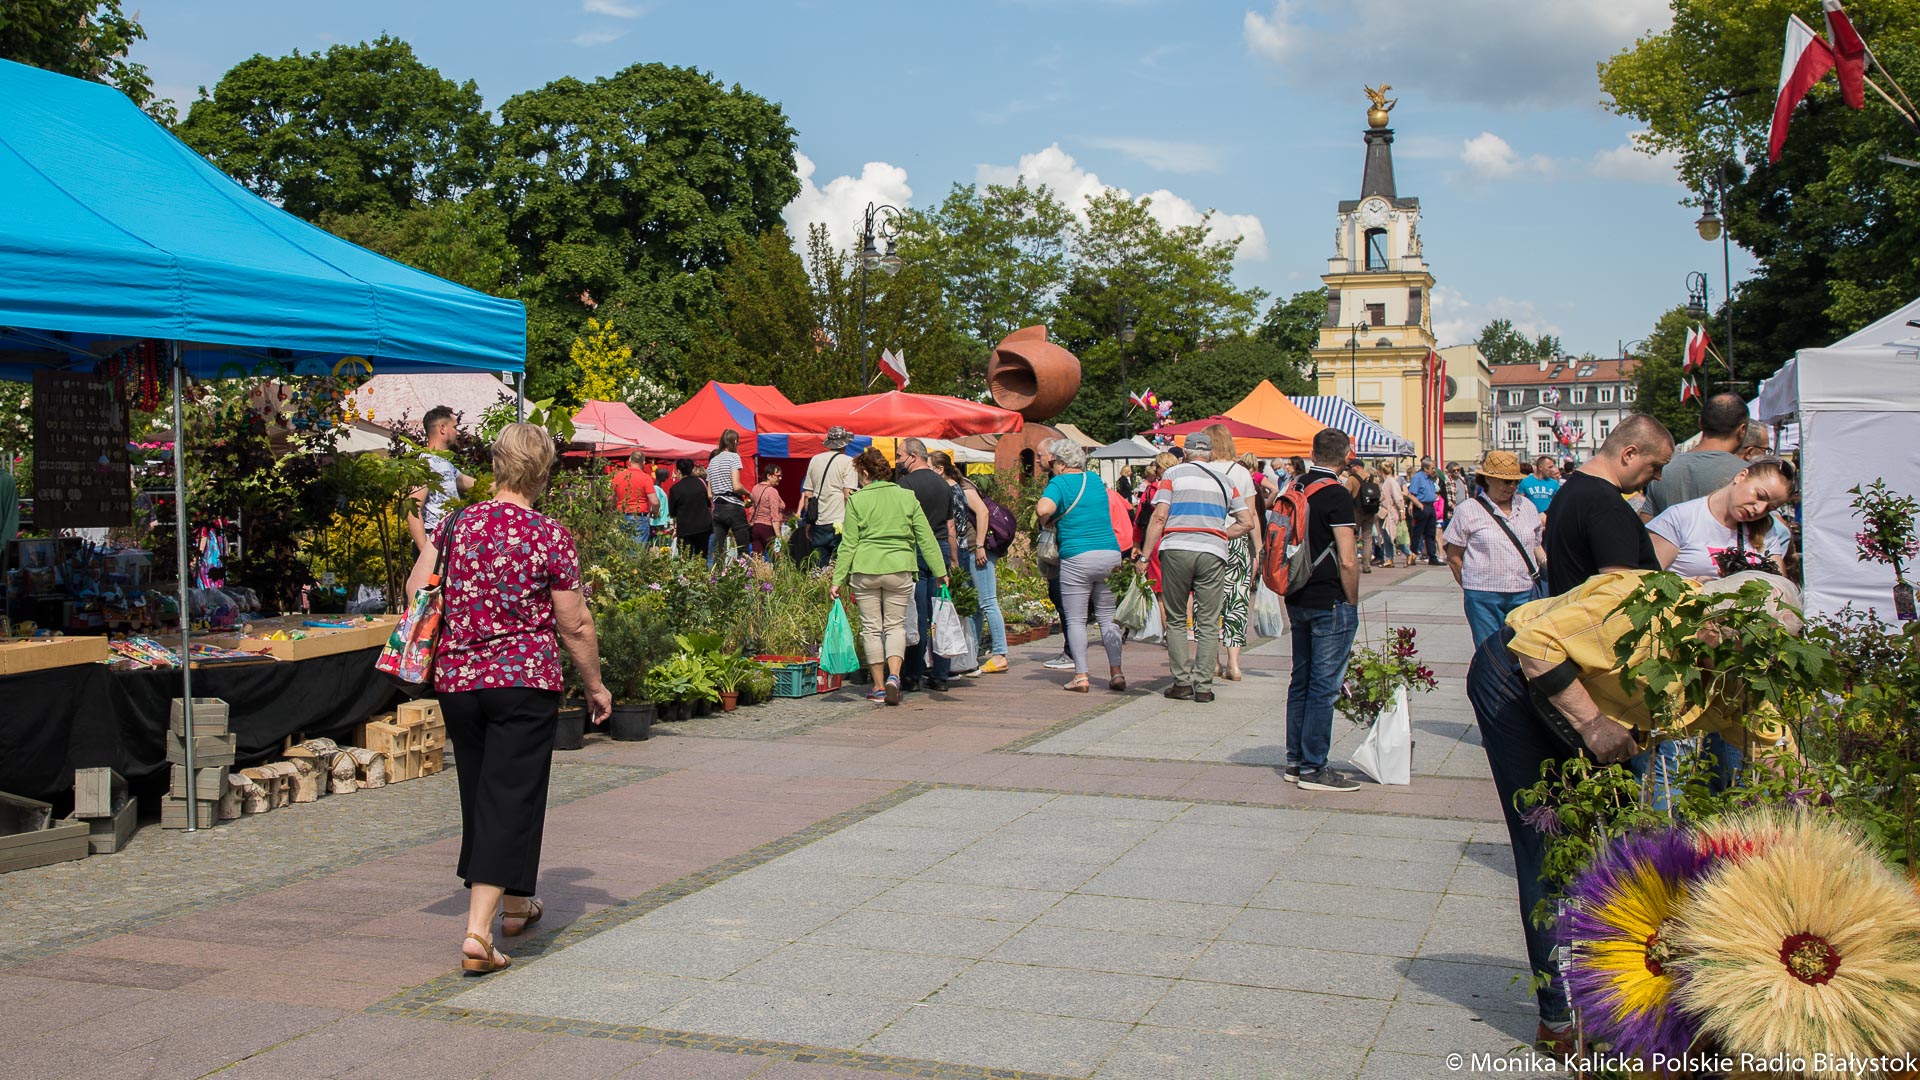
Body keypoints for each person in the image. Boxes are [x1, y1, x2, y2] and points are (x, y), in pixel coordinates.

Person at [1465, 569, 1803, 1057]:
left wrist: (1811, 813)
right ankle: (1561, 1019)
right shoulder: (1641, 609)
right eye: (1736, 655)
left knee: (1624, 856)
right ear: (1711, 627)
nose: (1744, 674)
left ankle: (1615, 1000)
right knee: (1551, 846)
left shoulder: (1742, 669)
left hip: (1598, 711)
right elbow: (1536, 645)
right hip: (1516, 682)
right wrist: (1593, 725)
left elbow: (1776, 751)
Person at [404, 422, 611, 976]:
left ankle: (516, 903)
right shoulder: (548, 535)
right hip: (522, 679)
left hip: (459, 680)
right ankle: (477, 933)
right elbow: (575, 623)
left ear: (496, 467)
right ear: (543, 473)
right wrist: (594, 683)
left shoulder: (454, 525)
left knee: (486, 792)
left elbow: (415, 590)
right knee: (511, 794)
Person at [1139, 431, 1256, 703]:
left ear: (1187, 452)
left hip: (1177, 549)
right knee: (1208, 619)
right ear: (1210, 453)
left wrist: (1145, 556)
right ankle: (1203, 686)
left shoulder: (1172, 476)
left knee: (1177, 617)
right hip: (1213, 553)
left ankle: (1181, 682)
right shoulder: (1226, 481)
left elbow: (1159, 517)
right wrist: (1221, 534)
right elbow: (1247, 521)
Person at [1280, 428, 1363, 792]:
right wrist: (1353, 600)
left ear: (1312, 452)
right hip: (1329, 597)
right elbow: (1347, 558)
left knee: (1301, 680)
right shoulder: (1336, 494)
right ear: (1346, 456)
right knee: (1324, 686)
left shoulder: (1295, 487)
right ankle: (1315, 767)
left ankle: (1295, 761)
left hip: (1296, 593)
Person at [829, 447, 947, 706]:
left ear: (867, 473)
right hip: (900, 568)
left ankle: (879, 687)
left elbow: (848, 543)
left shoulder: (858, 500)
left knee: (871, 629)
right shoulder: (906, 497)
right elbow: (926, 538)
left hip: (866, 569)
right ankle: (895, 676)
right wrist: (940, 571)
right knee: (895, 626)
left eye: (860, 474)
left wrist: (837, 579)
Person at [1541, 415, 1673, 596]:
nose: (1659, 476)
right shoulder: (1607, 505)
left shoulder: (1570, 490)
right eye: (1656, 466)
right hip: (1596, 622)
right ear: (1629, 454)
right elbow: (1620, 597)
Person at [1034, 439, 1126, 692]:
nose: (1052, 466)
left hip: (1077, 556)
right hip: (1109, 553)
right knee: (1108, 619)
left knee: (1076, 620)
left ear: (1062, 463)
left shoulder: (1060, 482)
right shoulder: (1095, 480)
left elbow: (1043, 508)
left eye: (1054, 462)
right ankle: (1116, 672)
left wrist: (1047, 521)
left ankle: (1082, 677)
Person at [1443, 451, 1547, 649]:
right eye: (1506, 482)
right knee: (1490, 654)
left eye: (1515, 482)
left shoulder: (1527, 507)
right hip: (1484, 597)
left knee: (1526, 652)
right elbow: (1454, 556)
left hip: (1524, 593)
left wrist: (1546, 564)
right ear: (1488, 479)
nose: (1512, 487)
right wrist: (1470, 587)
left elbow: (1535, 545)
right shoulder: (1468, 509)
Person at [1648, 457, 1796, 581]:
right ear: (1741, 476)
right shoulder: (1680, 518)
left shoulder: (1767, 531)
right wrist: (1697, 586)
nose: (1760, 509)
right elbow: (1645, 581)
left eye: (1770, 508)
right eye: (1760, 496)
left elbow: (1778, 591)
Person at [932, 451, 1009, 675]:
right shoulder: (952, 488)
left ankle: (1000, 653)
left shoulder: (963, 487)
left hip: (978, 550)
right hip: (972, 549)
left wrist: (981, 545)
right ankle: (972, 653)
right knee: (975, 605)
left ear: (940, 469)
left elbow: (983, 513)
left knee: (987, 601)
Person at [1198, 424, 1263, 682]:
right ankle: (1234, 664)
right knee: (1236, 600)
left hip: (1208, 540)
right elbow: (1252, 514)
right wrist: (1257, 549)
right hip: (1236, 539)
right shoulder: (1242, 473)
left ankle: (1212, 661)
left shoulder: (1201, 470)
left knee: (1208, 600)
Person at [894, 438, 955, 693]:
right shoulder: (944, 484)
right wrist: (952, 560)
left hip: (917, 549)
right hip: (940, 547)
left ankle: (913, 674)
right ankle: (941, 674)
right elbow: (950, 526)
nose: (897, 461)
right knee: (940, 612)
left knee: (917, 614)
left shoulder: (905, 485)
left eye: (899, 456)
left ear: (913, 456)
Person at [1639, 391, 1749, 521]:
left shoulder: (1662, 471)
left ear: (1700, 423)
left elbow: (1647, 528)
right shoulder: (1748, 475)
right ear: (1742, 430)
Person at [407, 405, 476, 556]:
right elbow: (413, 509)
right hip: (433, 541)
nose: (457, 432)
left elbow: (473, 484)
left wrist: (508, 483)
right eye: (455, 427)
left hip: (446, 539)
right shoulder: (425, 463)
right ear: (442, 428)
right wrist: (425, 551)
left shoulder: (445, 464)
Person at [800, 427, 859, 569]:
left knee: (819, 569)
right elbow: (848, 495)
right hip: (840, 522)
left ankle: (820, 591)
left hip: (819, 522)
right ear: (844, 444)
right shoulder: (848, 462)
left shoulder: (815, 460)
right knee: (840, 567)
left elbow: (808, 495)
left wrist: (809, 522)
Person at [706, 430, 751, 562]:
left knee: (719, 551)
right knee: (743, 548)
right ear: (735, 441)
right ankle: (744, 578)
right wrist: (748, 493)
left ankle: (717, 578)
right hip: (733, 506)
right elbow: (736, 486)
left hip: (718, 508)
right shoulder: (733, 457)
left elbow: (710, 493)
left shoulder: (713, 461)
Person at [667, 458, 711, 560]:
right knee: (702, 557)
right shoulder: (702, 484)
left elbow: (672, 512)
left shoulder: (675, 489)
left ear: (678, 471)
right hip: (703, 526)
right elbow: (709, 503)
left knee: (685, 559)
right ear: (692, 470)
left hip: (685, 529)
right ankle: (702, 576)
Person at [610, 452, 655, 546]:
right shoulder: (646, 478)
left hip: (621, 517)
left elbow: (611, 498)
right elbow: (654, 501)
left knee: (624, 549)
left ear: (629, 460)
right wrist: (654, 513)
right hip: (639, 517)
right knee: (637, 551)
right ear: (643, 463)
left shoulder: (618, 477)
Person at [1348, 460, 1383, 576]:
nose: (1349, 469)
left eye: (1351, 467)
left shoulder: (1352, 479)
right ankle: (1366, 565)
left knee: (1353, 537)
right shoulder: (1373, 478)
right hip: (1370, 511)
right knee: (1367, 538)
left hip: (1356, 512)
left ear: (1356, 467)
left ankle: (1354, 564)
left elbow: (1345, 494)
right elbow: (1380, 494)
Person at [1406, 457, 1441, 565]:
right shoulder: (1417, 478)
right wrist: (1420, 506)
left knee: (1431, 533)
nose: (1434, 470)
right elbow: (1411, 494)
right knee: (1418, 532)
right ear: (1425, 468)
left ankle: (1432, 557)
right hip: (1422, 507)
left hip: (1431, 506)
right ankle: (1412, 554)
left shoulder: (1430, 478)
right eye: (1432, 468)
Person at [747, 464, 787, 559]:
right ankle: (778, 574)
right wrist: (779, 538)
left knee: (757, 559)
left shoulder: (755, 488)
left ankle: (756, 574)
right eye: (777, 476)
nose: (780, 478)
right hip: (769, 529)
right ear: (768, 476)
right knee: (777, 558)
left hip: (755, 528)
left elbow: (752, 508)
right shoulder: (772, 491)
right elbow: (774, 516)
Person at [1375, 460, 1407, 569]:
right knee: (1386, 535)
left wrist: (1401, 511)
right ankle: (1389, 558)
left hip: (1392, 513)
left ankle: (1408, 553)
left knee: (1394, 537)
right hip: (1386, 512)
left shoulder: (1391, 482)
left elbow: (1398, 497)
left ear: (1381, 471)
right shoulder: (1386, 481)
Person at [649, 465, 672, 546]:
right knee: (660, 541)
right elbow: (655, 503)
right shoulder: (656, 488)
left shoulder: (659, 488)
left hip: (662, 519)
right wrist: (656, 514)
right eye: (665, 477)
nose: (666, 479)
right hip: (659, 520)